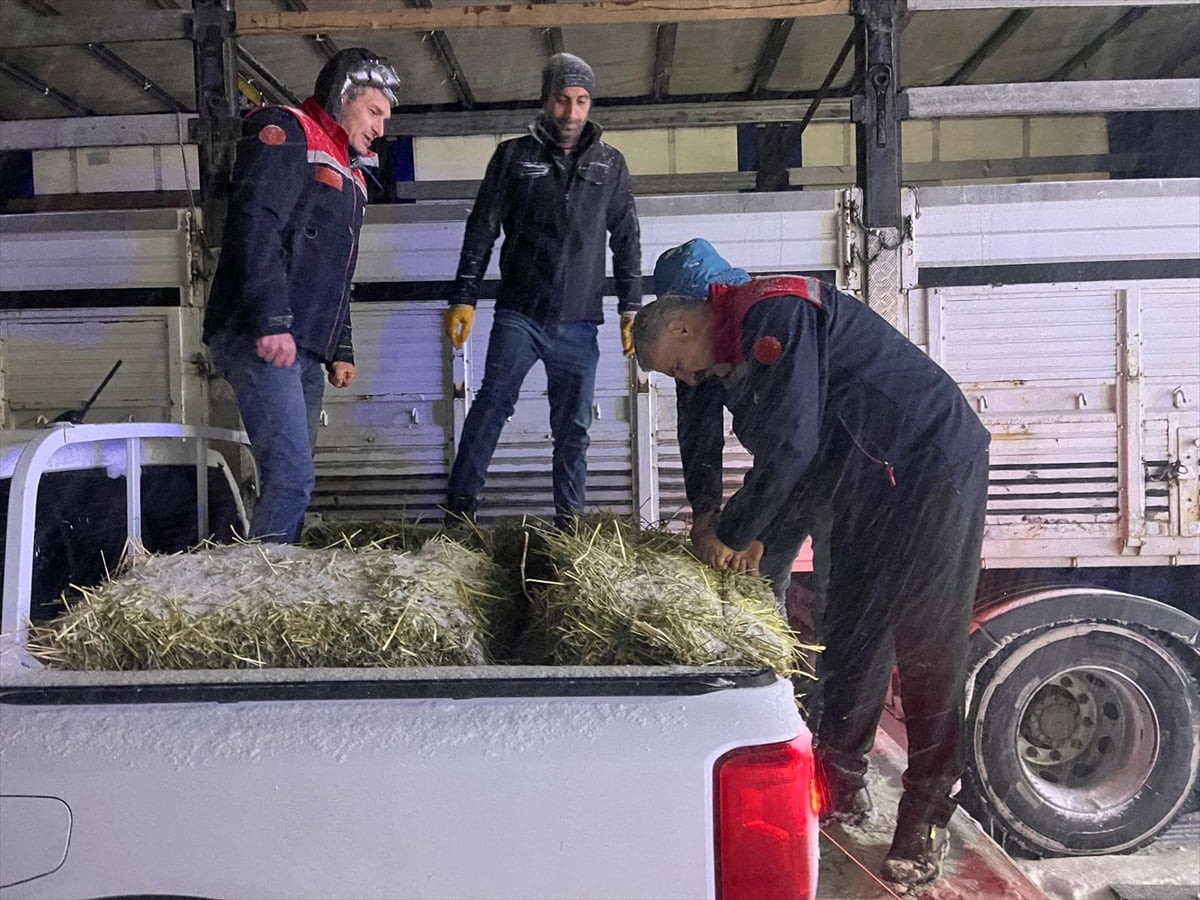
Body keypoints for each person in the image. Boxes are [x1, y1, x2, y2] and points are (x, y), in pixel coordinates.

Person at [634, 238, 991, 888]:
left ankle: (926, 817)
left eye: (678, 366)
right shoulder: (707, 356)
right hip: (863, 474)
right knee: (851, 624)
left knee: (925, 637)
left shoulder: (777, 315)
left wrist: (740, 530)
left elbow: (793, 446)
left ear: (685, 323)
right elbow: (698, 431)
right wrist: (708, 515)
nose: (685, 380)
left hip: (930, 461)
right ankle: (843, 785)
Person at [203, 48, 399, 543]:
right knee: (292, 478)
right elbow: (255, 222)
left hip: (306, 347)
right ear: (342, 98)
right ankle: (261, 595)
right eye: (374, 112)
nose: (380, 128)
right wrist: (271, 321)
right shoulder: (287, 131)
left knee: (293, 479)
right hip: (264, 335)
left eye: (384, 118)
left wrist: (341, 349)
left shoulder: (351, 172)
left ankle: (272, 574)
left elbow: (336, 270)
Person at [441, 52, 641, 527]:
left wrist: (631, 306)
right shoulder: (513, 157)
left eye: (581, 101)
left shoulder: (609, 164)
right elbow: (482, 229)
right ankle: (458, 516)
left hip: (580, 321)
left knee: (574, 429)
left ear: (590, 104)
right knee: (491, 405)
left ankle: (569, 528)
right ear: (545, 100)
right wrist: (463, 296)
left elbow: (627, 235)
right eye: (561, 100)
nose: (571, 113)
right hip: (520, 314)